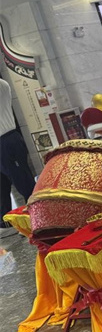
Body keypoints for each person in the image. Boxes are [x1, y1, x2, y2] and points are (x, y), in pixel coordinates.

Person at [0, 76, 36, 234]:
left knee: (22, 180)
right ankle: (5, 222)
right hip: (5, 142)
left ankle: (36, 217)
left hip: (7, 141)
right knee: (1, 185)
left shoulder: (2, 85)